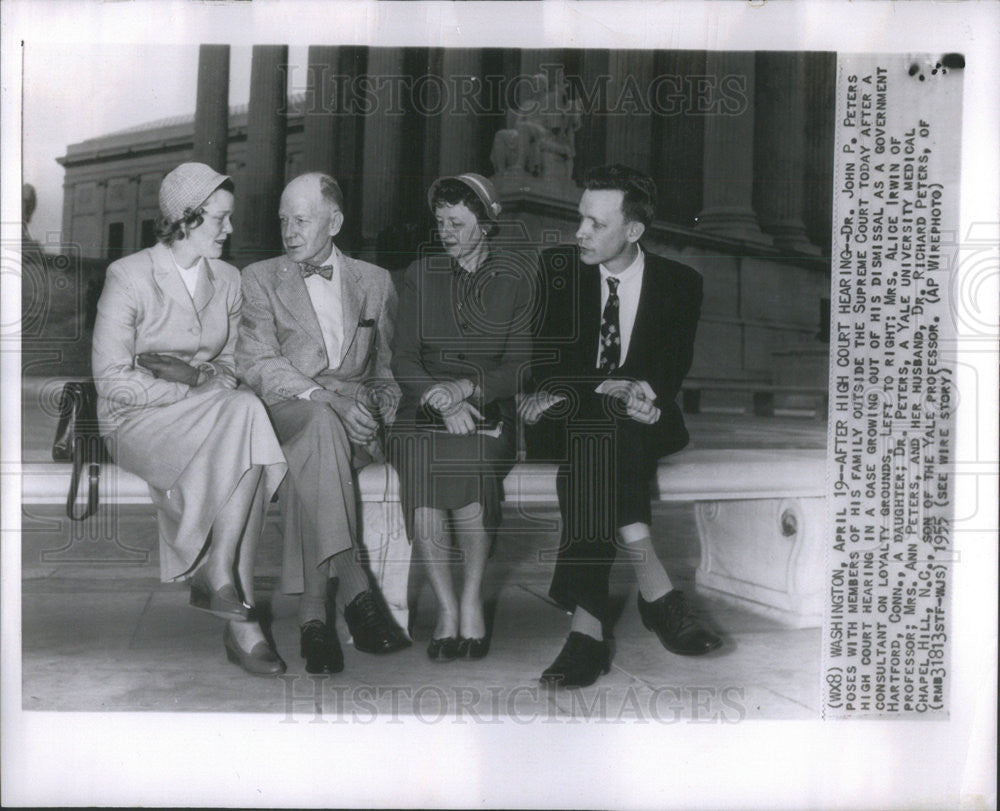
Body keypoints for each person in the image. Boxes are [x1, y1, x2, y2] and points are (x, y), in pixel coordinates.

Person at [520, 163, 723, 688]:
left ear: (633, 231)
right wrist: (605, 387)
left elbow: (670, 367)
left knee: (604, 435)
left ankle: (587, 626)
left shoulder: (681, 283)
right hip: (564, 416)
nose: (580, 233)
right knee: (599, 426)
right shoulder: (557, 270)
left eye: (596, 224)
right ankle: (655, 589)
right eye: (579, 219)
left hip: (640, 420)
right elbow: (545, 363)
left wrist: (639, 394)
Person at [92, 162, 288, 676]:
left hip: (209, 414)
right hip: (135, 420)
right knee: (246, 424)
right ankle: (236, 612)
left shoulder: (227, 279)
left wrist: (205, 376)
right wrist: (192, 383)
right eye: (219, 219)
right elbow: (113, 381)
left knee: (245, 418)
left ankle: (223, 581)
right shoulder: (129, 275)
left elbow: (232, 363)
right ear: (185, 219)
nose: (229, 229)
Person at [235, 172, 409, 675]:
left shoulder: (375, 282)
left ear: (334, 222)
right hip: (288, 412)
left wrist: (373, 414)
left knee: (319, 445)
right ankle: (353, 592)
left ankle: (314, 619)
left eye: (302, 219)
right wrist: (329, 398)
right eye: (283, 220)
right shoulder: (261, 278)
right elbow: (258, 362)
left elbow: (385, 374)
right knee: (316, 423)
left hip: (350, 426)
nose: (289, 230)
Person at [389, 173, 534, 662]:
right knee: (424, 459)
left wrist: (467, 388)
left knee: (470, 460)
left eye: (457, 221)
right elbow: (403, 358)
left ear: (486, 225)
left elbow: (519, 366)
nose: (445, 231)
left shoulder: (516, 279)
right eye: (440, 221)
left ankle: (471, 598)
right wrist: (439, 396)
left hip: (489, 412)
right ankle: (446, 609)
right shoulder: (419, 275)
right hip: (422, 411)